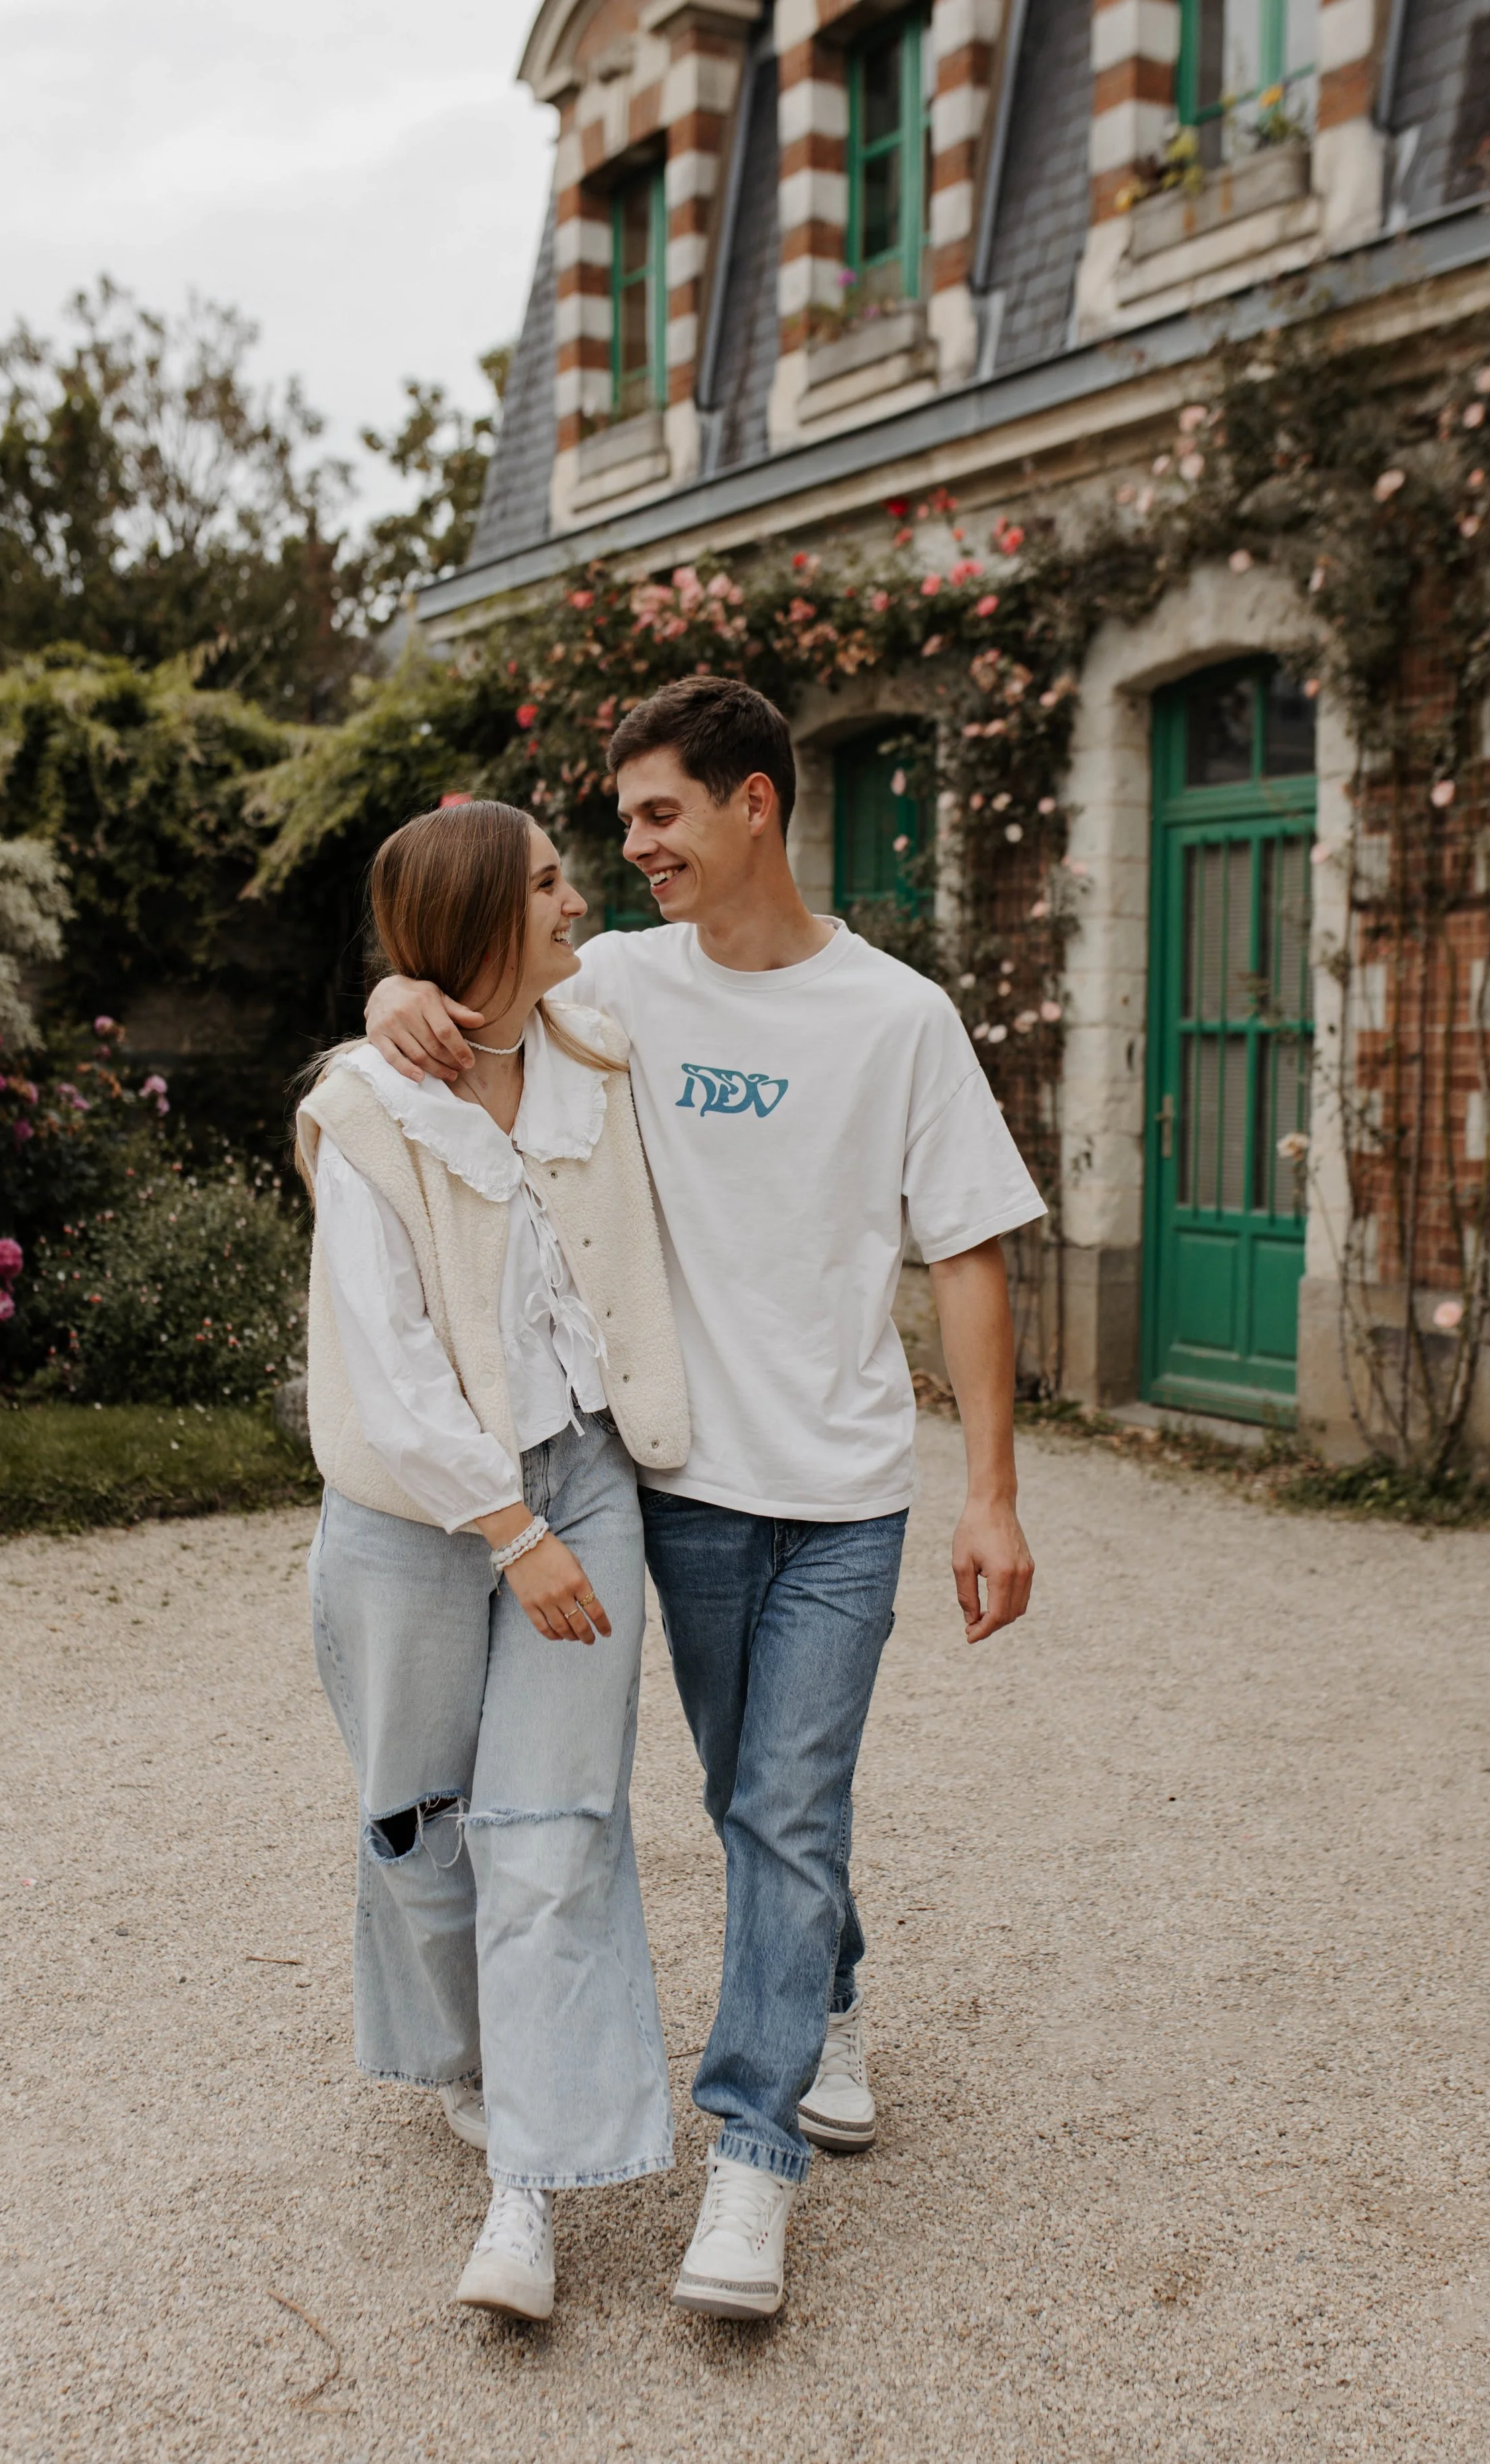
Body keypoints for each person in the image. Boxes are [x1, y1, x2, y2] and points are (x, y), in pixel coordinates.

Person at [366, 678, 1044, 2320]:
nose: (634, 849)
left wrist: (990, 1495)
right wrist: (392, 992)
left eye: (659, 814)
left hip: (845, 1496)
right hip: (679, 1490)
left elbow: (964, 1251)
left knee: (785, 1807)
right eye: (620, 824)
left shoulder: (897, 1018)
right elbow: (473, 994)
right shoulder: (617, 982)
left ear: (755, 803)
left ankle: (752, 2152)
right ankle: (832, 1995)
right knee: (750, 1793)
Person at [296, 799, 690, 2322]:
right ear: (477, 917)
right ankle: (462, 2051)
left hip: (584, 1478)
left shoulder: (598, 1043)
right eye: (546, 884)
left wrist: (548, 1522)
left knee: (555, 1825)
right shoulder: (368, 1106)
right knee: (415, 1818)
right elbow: (388, 1369)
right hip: (413, 1514)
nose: (578, 899)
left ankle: (525, 2187)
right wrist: (503, 1531)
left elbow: (727, 968)